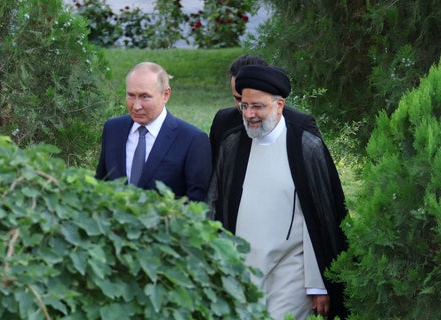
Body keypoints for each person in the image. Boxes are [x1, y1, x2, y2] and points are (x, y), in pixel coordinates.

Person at [207, 65, 348, 319]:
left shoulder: (305, 146)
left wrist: (317, 284)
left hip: (290, 271)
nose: (249, 114)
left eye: (258, 106)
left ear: (279, 105)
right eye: (245, 106)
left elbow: (321, 218)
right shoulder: (232, 144)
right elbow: (215, 204)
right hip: (242, 269)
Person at [95, 62, 212, 202]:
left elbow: (196, 203)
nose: (136, 106)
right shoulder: (113, 129)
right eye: (131, 95)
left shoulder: (192, 140)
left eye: (145, 97)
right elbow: (101, 184)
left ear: (166, 95)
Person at [209, 54, 321, 165]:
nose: (247, 111)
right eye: (239, 99)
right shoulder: (223, 121)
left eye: (256, 104)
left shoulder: (301, 125)